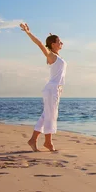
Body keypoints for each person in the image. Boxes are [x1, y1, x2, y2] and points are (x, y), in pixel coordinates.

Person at [20, 23, 67, 152]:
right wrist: (28, 32)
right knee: (50, 116)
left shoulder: (56, 56)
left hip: (54, 89)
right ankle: (48, 142)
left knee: (47, 115)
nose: (61, 43)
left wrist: (52, 39)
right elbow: (40, 44)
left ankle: (33, 140)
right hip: (52, 89)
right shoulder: (51, 56)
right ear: (53, 44)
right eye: (59, 41)